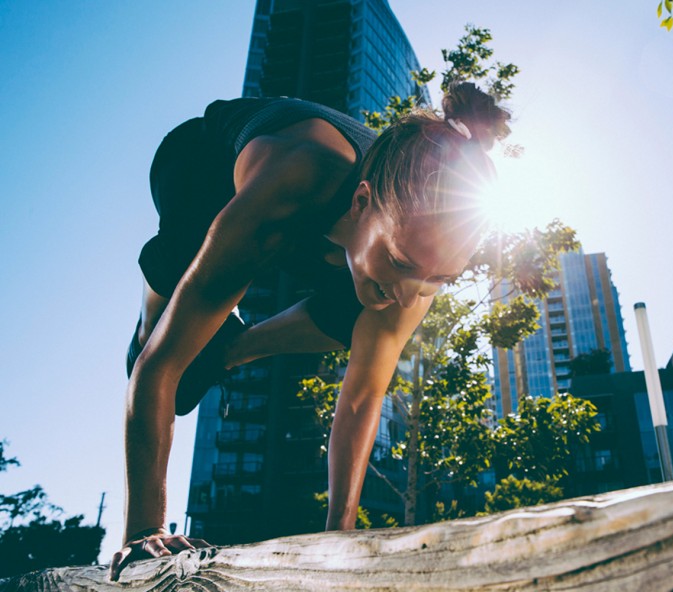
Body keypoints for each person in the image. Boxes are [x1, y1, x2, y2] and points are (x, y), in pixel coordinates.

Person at [108, 82, 511, 581]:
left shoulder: (414, 267)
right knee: (173, 348)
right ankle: (154, 312)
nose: (414, 294)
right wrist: (144, 533)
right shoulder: (295, 179)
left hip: (328, 235)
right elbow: (158, 368)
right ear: (362, 200)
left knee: (366, 310)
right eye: (402, 262)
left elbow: (362, 400)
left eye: (437, 278)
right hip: (201, 168)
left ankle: (229, 349)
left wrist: (336, 539)